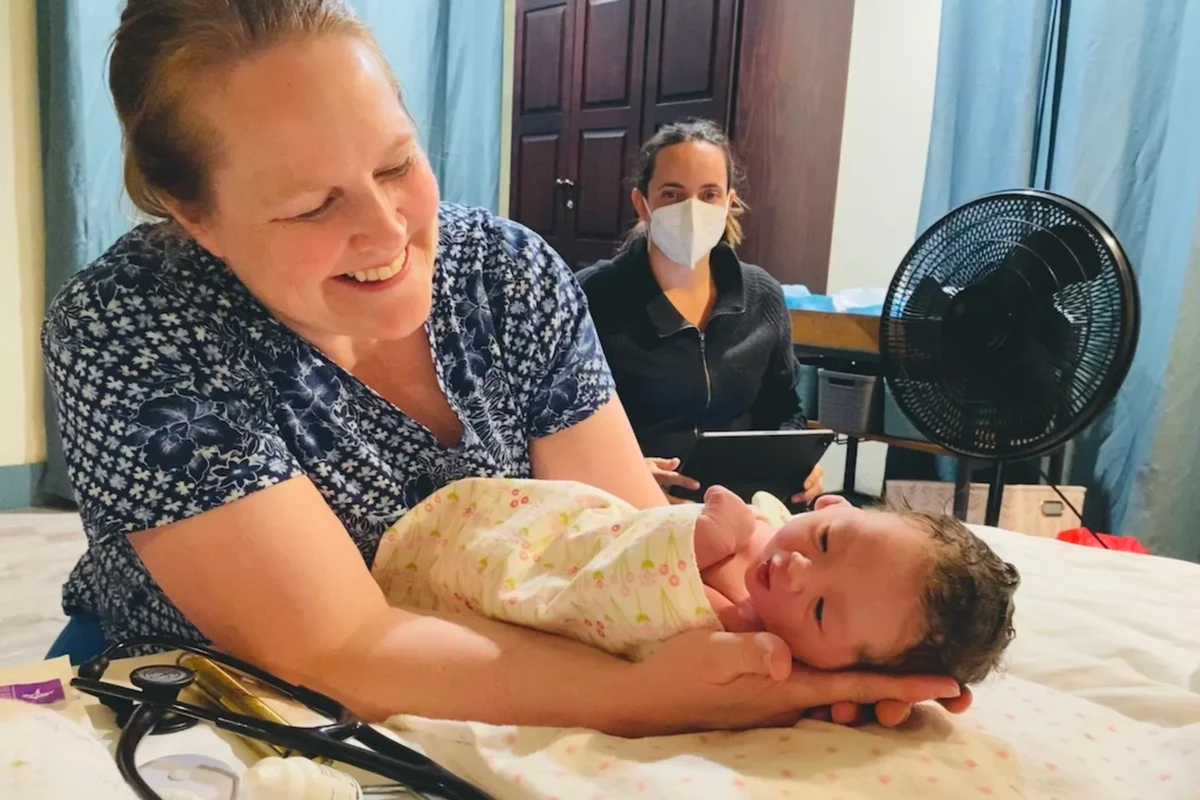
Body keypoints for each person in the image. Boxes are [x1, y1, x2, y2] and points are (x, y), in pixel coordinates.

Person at [41, 0, 968, 735]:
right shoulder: (134, 330)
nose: (388, 232)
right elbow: (339, 646)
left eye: (398, 164)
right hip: (211, 681)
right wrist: (653, 699)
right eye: (311, 206)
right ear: (189, 214)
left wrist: (823, 656)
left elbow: (626, 535)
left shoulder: (503, 274)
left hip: (509, 653)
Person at [373, 478, 1019, 686]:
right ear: (831, 508)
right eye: (825, 543)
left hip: (491, 575)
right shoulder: (768, 525)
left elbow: (613, 603)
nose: (797, 572)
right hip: (517, 529)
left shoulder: (740, 628)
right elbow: (601, 539)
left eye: (821, 612)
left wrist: (695, 559)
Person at [577, 120, 823, 506]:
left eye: (709, 194)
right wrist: (627, 469)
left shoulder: (762, 297)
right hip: (633, 507)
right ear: (642, 203)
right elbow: (563, 424)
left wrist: (801, 464)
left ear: (728, 202)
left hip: (747, 505)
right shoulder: (591, 297)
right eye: (672, 194)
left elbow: (784, 409)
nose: (692, 210)